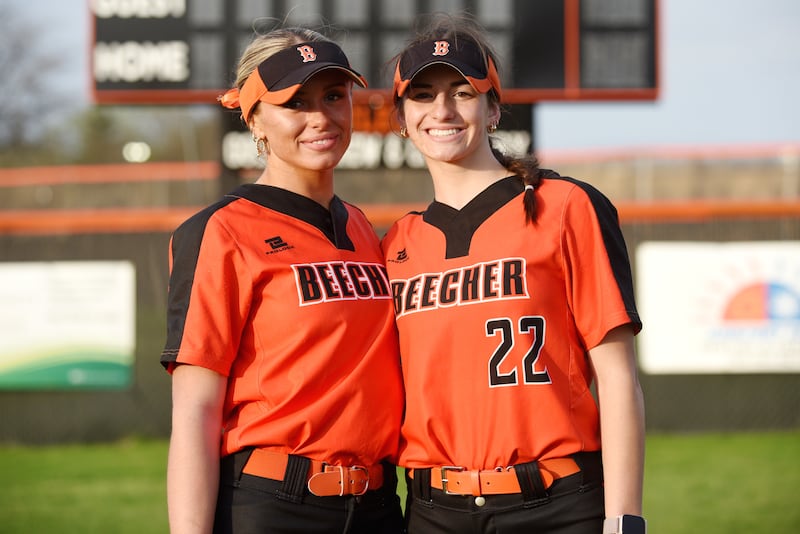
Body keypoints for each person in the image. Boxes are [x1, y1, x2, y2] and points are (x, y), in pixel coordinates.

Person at [382, 13, 646, 534]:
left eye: (462, 91)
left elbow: (617, 377)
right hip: (434, 509)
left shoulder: (565, 207)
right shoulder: (395, 244)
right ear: (402, 118)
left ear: (494, 108)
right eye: (423, 95)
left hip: (556, 503)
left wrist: (624, 520)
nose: (442, 109)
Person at [161, 26, 405, 534]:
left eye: (334, 96)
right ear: (254, 119)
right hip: (275, 504)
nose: (321, 117)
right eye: (296, 102)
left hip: (378, 505)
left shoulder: (361, 227)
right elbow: (195, 412)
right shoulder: (220, 230)